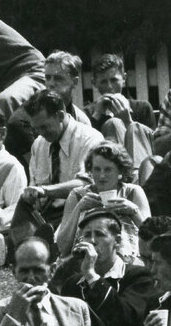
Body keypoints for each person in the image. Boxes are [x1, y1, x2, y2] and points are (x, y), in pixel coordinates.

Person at [14, 89, 104, 230]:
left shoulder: (90, 139)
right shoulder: (39, 144)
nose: (40, 133)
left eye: (44, 127)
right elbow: (34, 188)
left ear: (60, 116)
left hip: (78, 216)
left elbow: (88, 185)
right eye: (35, 128)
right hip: (44, 219)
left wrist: (45, 190)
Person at [56, 141, 151, 261]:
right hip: (87, 259)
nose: (101, 175)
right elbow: (62, 248)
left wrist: (134, 212)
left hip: (128, 260)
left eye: (108, 169)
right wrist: (78, 208)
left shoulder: (133, 192)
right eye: (97, 169)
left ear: (120, 172)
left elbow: (152, 239)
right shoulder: (78, 195)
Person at [86, 53, 156, 161]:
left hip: (139, 165)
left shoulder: (142, 108)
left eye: (114, 80)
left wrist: (128, 121)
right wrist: (96, 116)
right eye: (103, 82)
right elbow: (85, 148)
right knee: (112, 123)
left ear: (124, 79)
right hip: (102, 166)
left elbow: (152, 146)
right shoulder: (88, 113)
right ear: (94, 83)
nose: (109, 87)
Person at [43, 50, 93, 126]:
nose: (51, 83)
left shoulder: (81, 121)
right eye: (48, 77)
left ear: (74, 82)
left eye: (58, 78)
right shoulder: (31, 114)